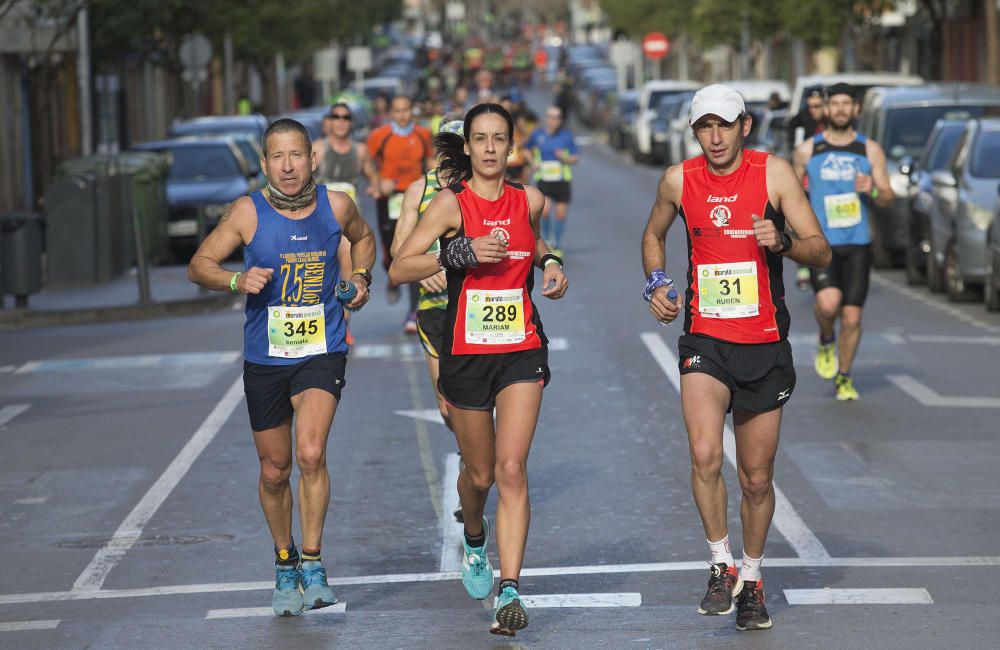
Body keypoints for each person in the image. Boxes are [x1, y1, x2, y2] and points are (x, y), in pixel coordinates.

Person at [640, 84, 831, 631]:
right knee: (704, 454)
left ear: (745, 125)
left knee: (755, 476)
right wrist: (656, 280)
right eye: (705, 127)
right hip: (705, 338)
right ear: (695, 130)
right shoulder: (679, 179)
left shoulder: (774, 175)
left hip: (765, 342)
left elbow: (821, 247)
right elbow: (652, 235)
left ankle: (753, 578)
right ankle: (720, 563)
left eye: (725, 124)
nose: (715, 136)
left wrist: (785, 241)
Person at [389, 103, 568, 636]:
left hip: (520, 348)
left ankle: (510, 590)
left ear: (512, 148)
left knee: (512, 469)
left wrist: (553, 263)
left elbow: (535, 245)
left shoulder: (527, 199)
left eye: (499, 139)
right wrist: (458, 253)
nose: (490, 149)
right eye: (480, 139)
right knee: (482, 474)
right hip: (464, 351)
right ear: (467, 148)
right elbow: (401, 266)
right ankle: (473, 535)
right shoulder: (449, 204)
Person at [187, 118, 376, 617]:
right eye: (278, 157)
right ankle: (285, 560)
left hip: (322, 347)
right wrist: (235, 281)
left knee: (311, 453)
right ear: (266, 163)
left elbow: (364, 239)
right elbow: (199, 263)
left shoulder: (336, 205)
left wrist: (359, 278)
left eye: (297, 155)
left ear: (312, 158)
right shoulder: (246, 213)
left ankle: (313, 561)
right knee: (275, 470)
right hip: (265, 357)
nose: (288, 166)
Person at [793, 82, 894, 401]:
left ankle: (844, 376)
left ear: (855, 109)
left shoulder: (870, 150)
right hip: (822, 244)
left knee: (852, 317)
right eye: (833, 103)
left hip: (858, 243)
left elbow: (889, 198)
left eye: (844, 103)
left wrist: (874, 190)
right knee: (828, 303)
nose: (838, 109)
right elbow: (790, 196)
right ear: (826, 110)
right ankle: (825, 338)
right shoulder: (808, 150)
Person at [390, 118, 465, 522]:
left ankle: (475, 459)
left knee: (473, 395)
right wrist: (426, 265)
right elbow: (399, 246)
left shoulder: (478, 188)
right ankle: (468, 447)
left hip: (472, 309)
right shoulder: (418, 190)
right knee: (445, 401)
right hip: (434, 308)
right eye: (447, 146)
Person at [367, 95, 435, 331]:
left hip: (414, 196)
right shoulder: (380, 136)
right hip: (389, 198)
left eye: (406, 110)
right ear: (391, 113)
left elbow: (430, 162)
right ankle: (393, 276)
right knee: (390, 249)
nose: (402, 115)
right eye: (397, 111)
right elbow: (369, 163)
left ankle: (412, 311)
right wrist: (377, 182)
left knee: (412, 250)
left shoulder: (423, 135)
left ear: (411, 112)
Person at [313, 104, 379, 346]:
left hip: (349, 218)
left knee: (347, 263)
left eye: (345, 117)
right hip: (320, 215)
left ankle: (344, 322)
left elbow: (373, 177)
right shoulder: (318, 149)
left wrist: (376, 187)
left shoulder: (360, 151)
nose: (340, 121)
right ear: (328, 121)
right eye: (336, 117)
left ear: (351, 122)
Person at [788, 89, 828, 290]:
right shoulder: (801, 121)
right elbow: (793, 146)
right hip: (807, 184)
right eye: (810, 106)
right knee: (804, 225)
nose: (813, 111)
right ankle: (803, 267)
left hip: (828, 185)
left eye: (818, 106)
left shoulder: (832, 124)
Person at [525, 106, 579, 255]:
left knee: (560, 214)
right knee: (545, 211)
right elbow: (526, 149)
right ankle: (548, 240)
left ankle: (557, 243)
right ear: (546, 118)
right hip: (544, 179)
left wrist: (565, 158)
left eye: (557, 117)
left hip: (562, 180)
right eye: (551, 117)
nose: (554, 120)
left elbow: (575, 157)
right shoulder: (537, 135)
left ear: (560, 120)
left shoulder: (566, 136)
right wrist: (532, 163)